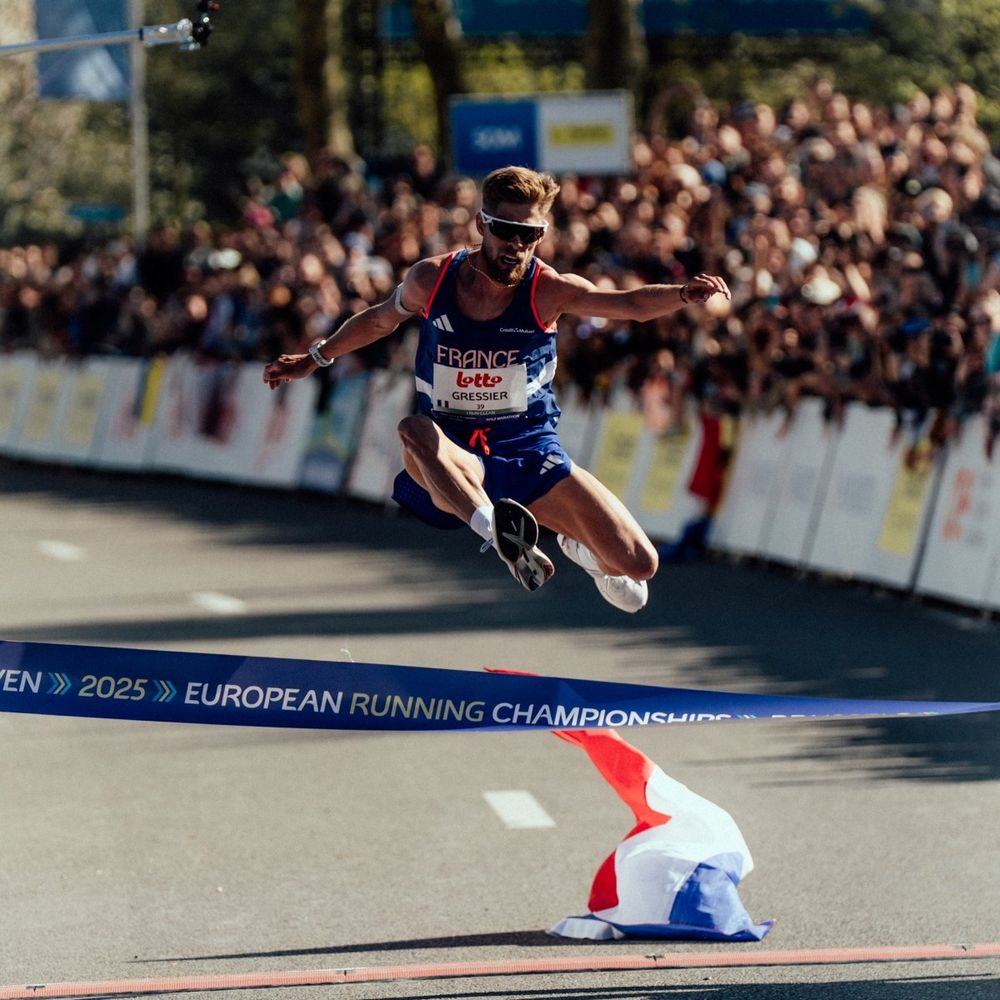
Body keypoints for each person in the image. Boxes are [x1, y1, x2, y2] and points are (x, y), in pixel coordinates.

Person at [263, 166, 730, 612]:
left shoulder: (546, 289)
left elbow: (627, 305)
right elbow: (383, 318)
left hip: (528, 449)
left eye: (532, 235)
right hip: (454, 457)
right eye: (507, 231)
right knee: (413, 429)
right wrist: (317, 356)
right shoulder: (432, 278)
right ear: (482, 225)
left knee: (640, 568)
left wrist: (682, 295)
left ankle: (581, 551)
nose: (518, 245)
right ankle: (497, 531)